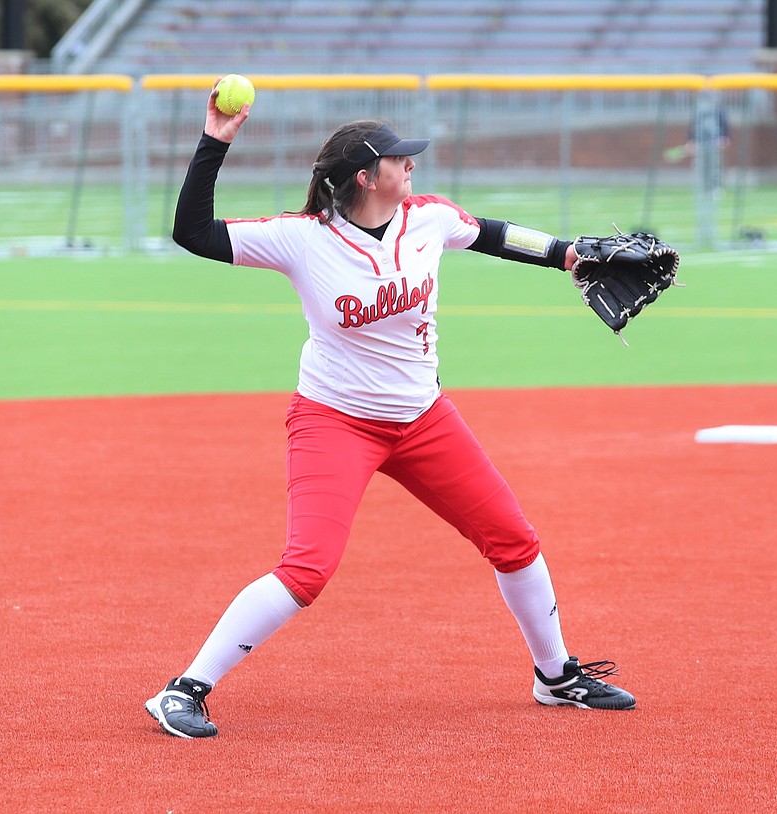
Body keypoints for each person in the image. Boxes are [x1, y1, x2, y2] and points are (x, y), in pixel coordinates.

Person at [145, 81, 636, 739]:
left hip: (423, 418)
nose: (412, 166)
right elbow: (193, 234)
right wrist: (215, 141)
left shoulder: (425, 218)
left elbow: (490, 234)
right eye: (399, 159)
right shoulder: (302, 239)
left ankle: (557, 676)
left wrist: (564, 255)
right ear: (365, 177)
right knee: (308, 568)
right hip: (334, 420)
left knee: (513, 541)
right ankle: (183, 691)